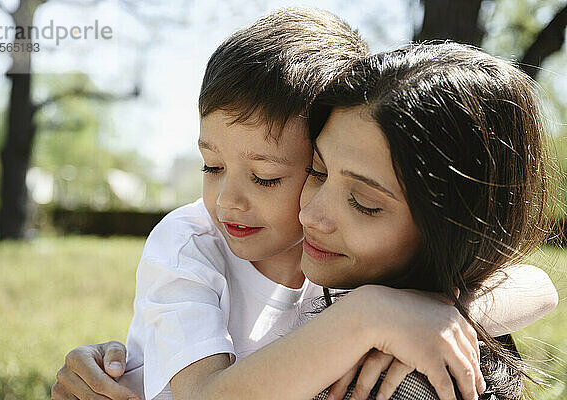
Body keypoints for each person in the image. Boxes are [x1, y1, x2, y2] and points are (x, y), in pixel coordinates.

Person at [50, 9, 558, 400]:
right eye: (210, 166)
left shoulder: (336, 258)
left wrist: (433, 312)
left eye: (271, 177)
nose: (227, 199)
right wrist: (375, 314)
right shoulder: (195, 243)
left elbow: (535, 284)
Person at [300, 41, 557, 399]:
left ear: (454, 226)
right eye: (316, 171)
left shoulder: (377, 377)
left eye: (364, 203)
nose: (309, 215)